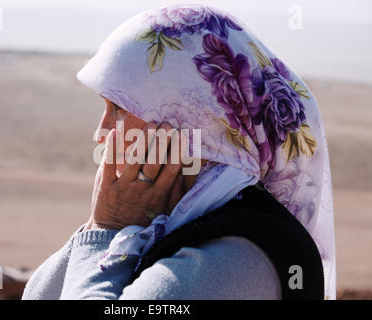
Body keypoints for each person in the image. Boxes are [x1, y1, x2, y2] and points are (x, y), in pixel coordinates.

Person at [22, 4, 336, 300]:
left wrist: (107, 230)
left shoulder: (237, 257)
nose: (101, 132)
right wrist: (98, 225)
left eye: (119, 108)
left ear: (193, 120)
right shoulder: (162, 223)